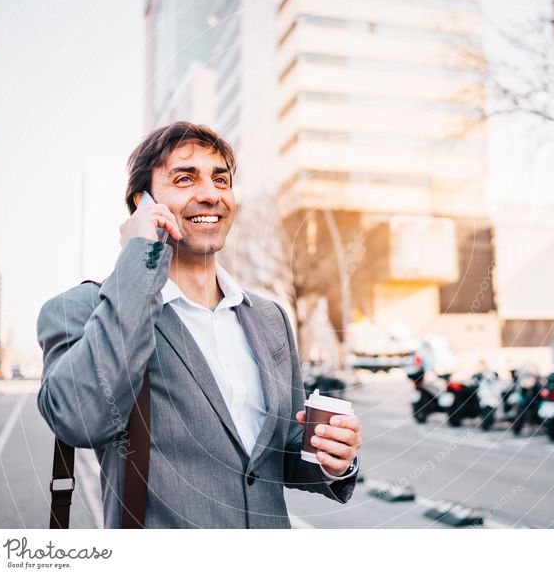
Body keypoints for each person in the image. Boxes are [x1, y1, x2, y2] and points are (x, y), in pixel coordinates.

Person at [36, 122, 361, 528]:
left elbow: (273, 456)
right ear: (143, 201)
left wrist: (332, 458)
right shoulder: (81, 309)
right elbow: (78, 416)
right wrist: (141, 252)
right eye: (185, 178)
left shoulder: (270, 318)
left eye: (220, 179)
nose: (210, 194)